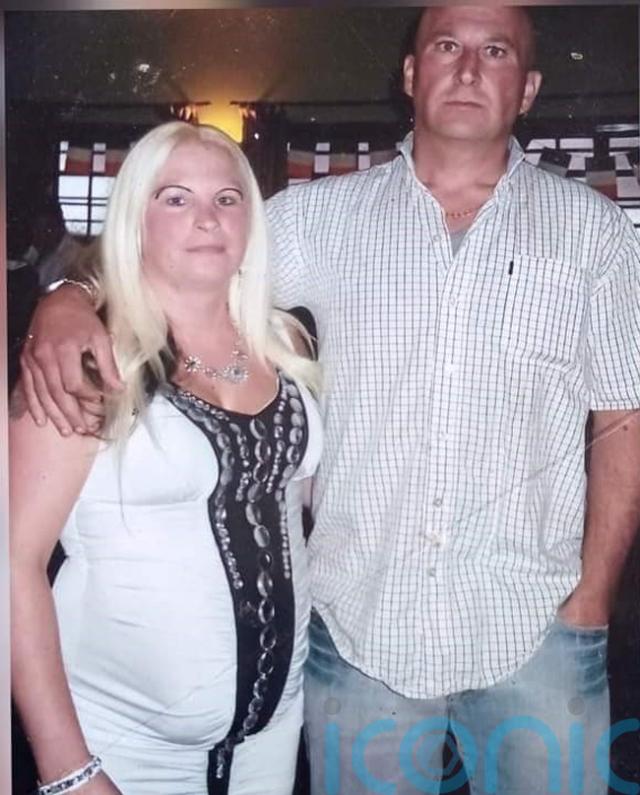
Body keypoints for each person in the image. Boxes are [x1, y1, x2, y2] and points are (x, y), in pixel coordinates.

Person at [20, 6, 640, 794]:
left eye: (496, 51)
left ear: (529, 88)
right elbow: (180, 258)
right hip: (357, 633)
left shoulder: (595, 234)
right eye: (446, 46)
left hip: (536, 624)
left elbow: (624, 416)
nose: (468, 68)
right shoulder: (318, 218)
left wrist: (591, 598)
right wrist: (66, 297)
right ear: (411, 73)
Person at [10, 120, 322, 795]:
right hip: (123, 746)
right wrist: (69, 770)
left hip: (272, 738)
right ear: (135, 220)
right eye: (176, 198)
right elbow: (13, 561)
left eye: (227, 198)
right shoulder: (85, 360)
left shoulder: (285, 345)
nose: (208, 219)